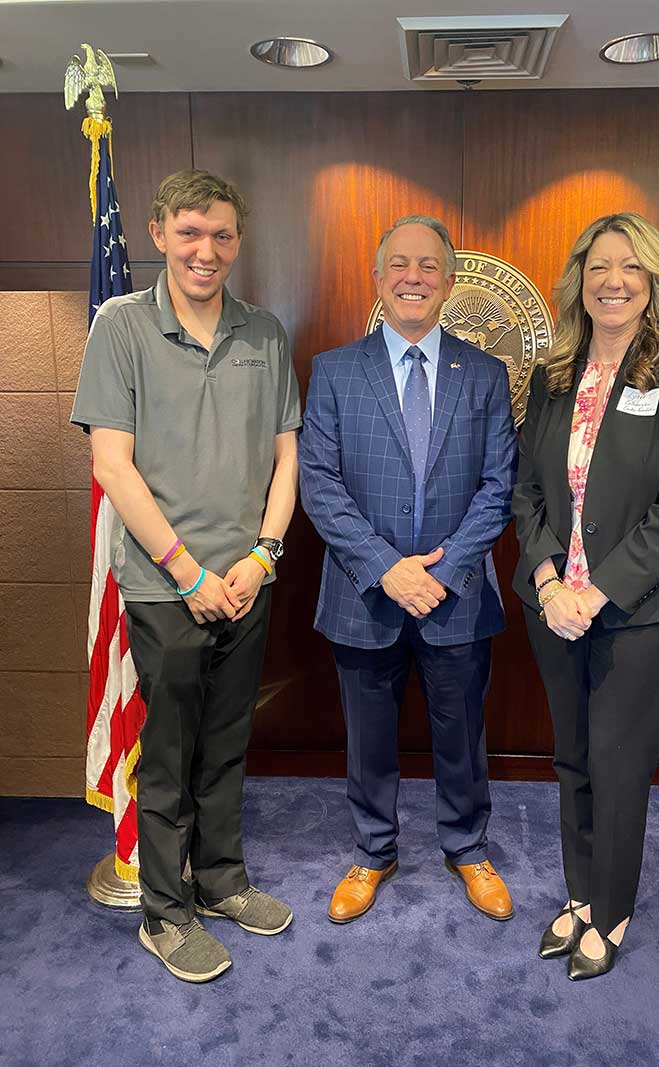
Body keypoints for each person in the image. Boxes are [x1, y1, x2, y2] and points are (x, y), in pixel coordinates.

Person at [71, 170, 301, 983]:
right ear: (162, 231)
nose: (208, 250)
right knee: (167, 750)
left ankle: (222, 879)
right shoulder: (121, 326)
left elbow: (285, 460)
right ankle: (166, 912)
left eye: (223, 235)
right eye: (192, 232)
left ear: (238, 241)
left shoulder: (265, 333)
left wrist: (260, 557)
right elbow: (112, 462)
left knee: (228, 741)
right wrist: (186, 570)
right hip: (164, 587)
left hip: (246, 582)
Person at [512, 212, 659, 980]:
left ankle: (611, 908)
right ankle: (578, 891)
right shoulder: (554, 372)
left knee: (620, 760)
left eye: (632, 267)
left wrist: (593, 593)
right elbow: (526, 488)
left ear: (654, 278)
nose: (614, 280)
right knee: (572, 757)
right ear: (580, 277)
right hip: (552, 606)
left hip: (646, 611)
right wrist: (545, 580)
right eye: (600, 265)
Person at [299, 215, 518, 923]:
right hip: (365, 594)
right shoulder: (334, 370)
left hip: (456, 597)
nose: (414, 276)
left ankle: (466, 846)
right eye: (399, 264)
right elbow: (319, 484)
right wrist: (388, 568)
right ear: (378, 277)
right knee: (368, 738)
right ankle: (373, 850)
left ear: (450, 282)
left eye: (429, 265)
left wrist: (446, 568)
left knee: (462, 732)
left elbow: (499, 485)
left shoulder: (484, 374)